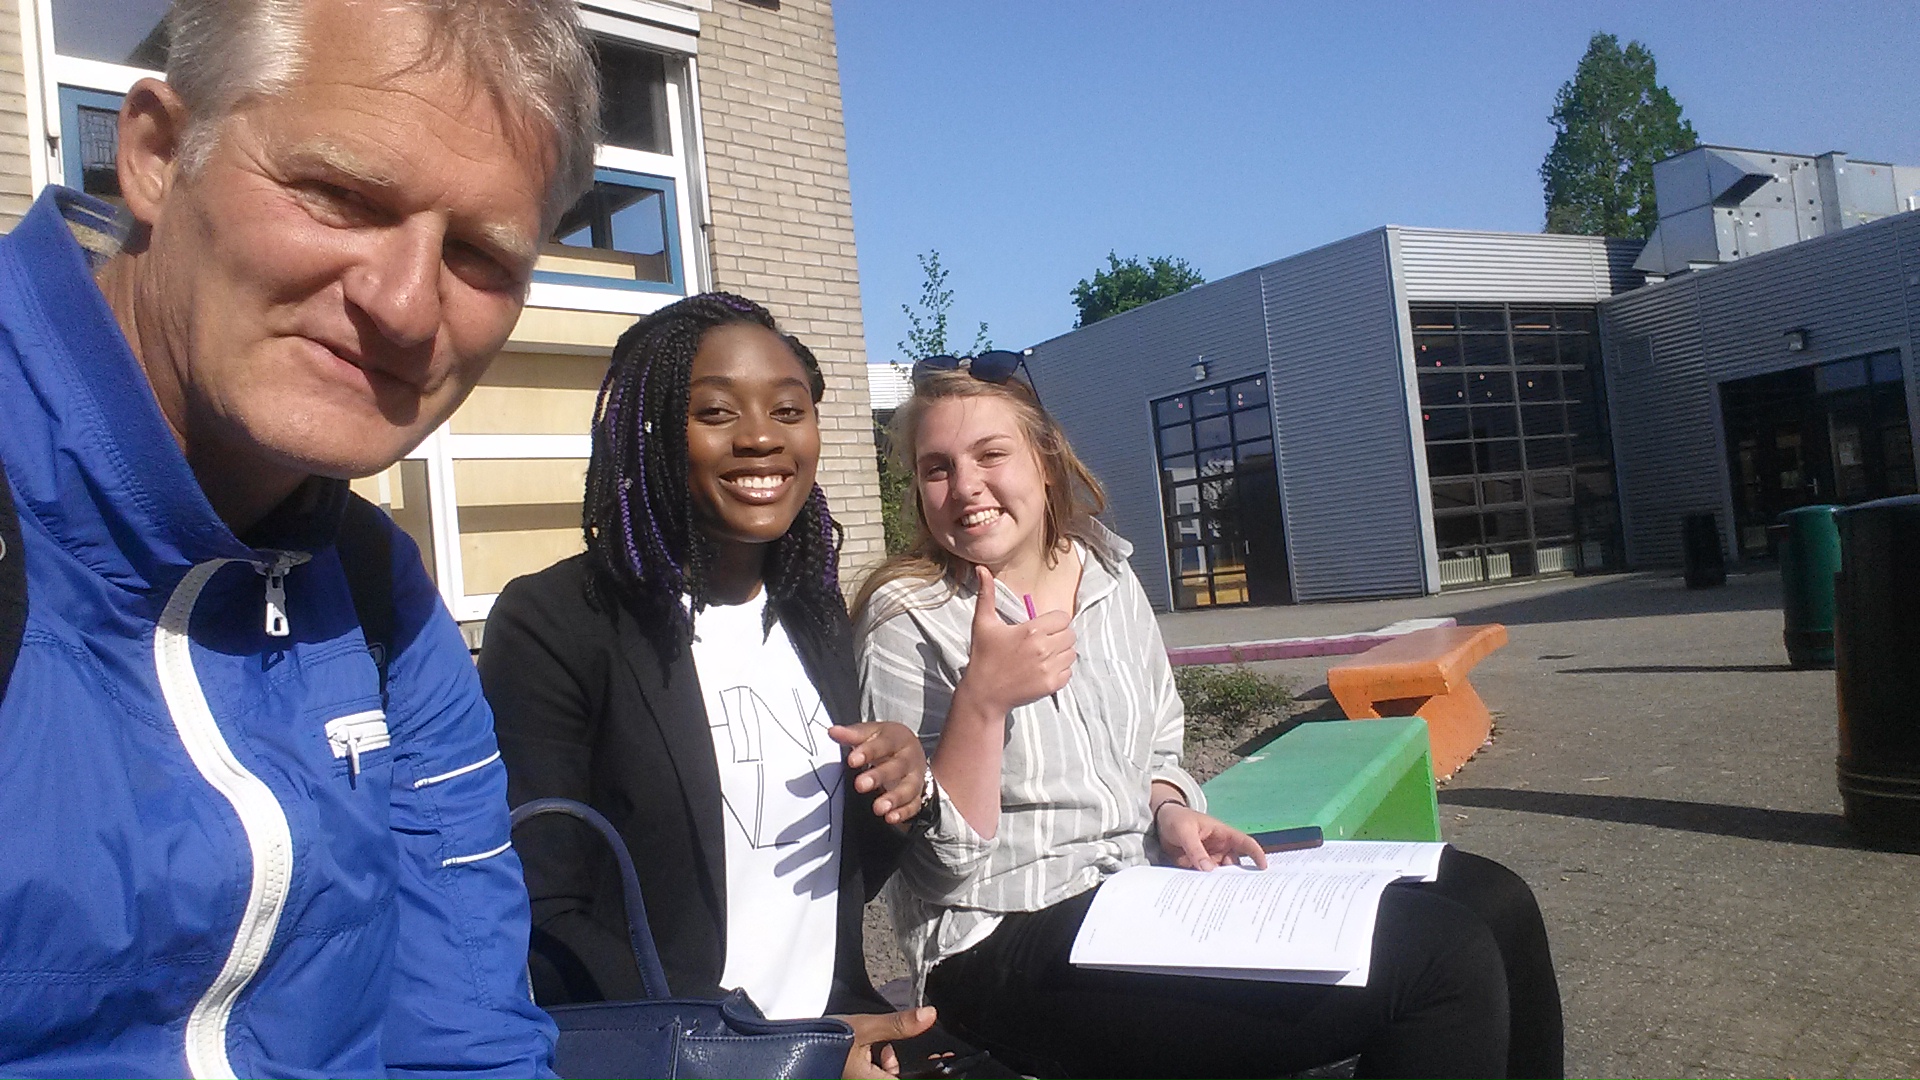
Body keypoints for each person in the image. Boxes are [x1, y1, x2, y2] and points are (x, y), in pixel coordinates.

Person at [0, 0, 599, 1075]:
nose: (406, 307)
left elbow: (468, 1044)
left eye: (479, 256)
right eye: (341, 197)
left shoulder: (378, 596)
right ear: (156, 156)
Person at [854, 360, 1567, 1080]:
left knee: (1497, 901)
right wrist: (983, 701)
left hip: (1144, 887)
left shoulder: (1104, 573)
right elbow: (938, 871)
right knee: (1439, 961)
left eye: (990, 454)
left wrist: (1169, 809)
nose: (965, 486)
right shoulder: (908, 616)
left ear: (1043, 461)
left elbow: (1157, 743)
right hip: (998, 941)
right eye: (937, 467)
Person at [480, 293, 1007, 1080]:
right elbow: (545, 918)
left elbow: (824, 881)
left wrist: (898, 787)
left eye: (789, 410)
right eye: (717, 412)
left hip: (838, 1028)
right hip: (682, 1056)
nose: (762, 437)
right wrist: (764, 1054)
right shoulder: (558, 623)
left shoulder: (813, 616)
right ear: (651, 432)